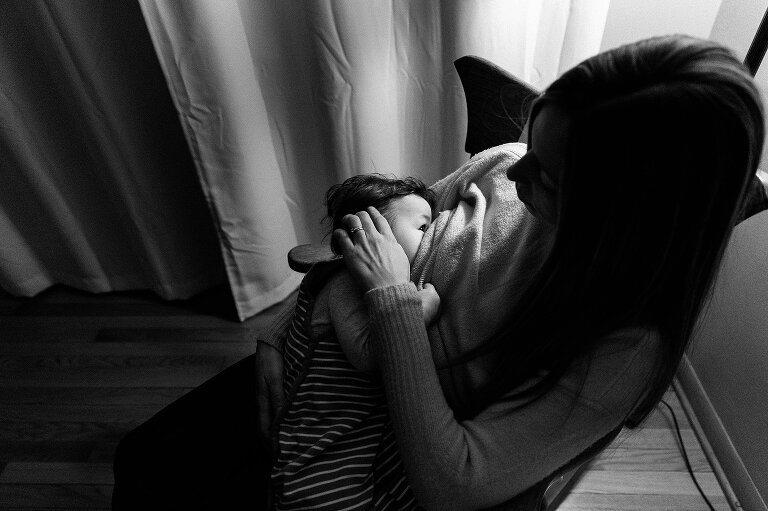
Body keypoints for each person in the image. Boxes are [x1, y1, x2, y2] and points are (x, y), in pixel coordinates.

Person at [323, 34, 764, 509]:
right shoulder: (504, 165)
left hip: (393, 451)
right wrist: (290, 325)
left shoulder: (623, 348)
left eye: (548, 178)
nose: (514, 172)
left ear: (626, 221)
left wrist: (393, 299)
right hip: (332, 357)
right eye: (532, 141)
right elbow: (374, 238)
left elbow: (453, 482)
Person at [265, 173, 439, 509]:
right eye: (423, 228)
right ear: (369, 236)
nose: (434, 238)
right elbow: (373, 356)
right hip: (324, 457)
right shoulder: (343, 285)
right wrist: (422, 310)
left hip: (366, 442)